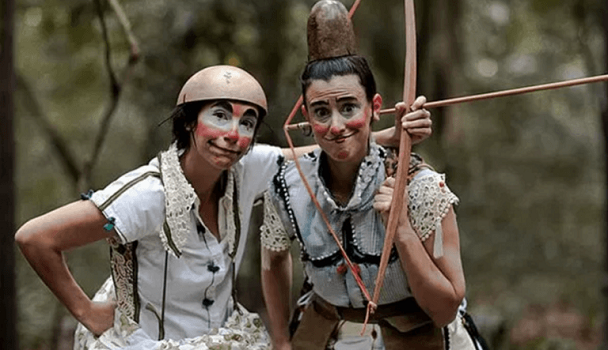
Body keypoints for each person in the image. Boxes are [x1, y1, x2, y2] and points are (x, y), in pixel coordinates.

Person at [15, 63, 432, 349]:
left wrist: (392, 135)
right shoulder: (149, 195)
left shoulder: (246, 169)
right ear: (189, 121)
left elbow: (310, 152)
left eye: (247, 122)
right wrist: (86, 312)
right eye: (220, 115)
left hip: (224, 335)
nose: (233, 134)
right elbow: (36, 237)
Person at [259, 2, 485, 349]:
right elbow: (274, 259)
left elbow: (444, 309)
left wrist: (402, 229)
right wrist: (279, 337)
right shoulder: (288, 187)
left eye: (348, 108)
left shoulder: (421, 187)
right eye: (321, 112)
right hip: (325, 333)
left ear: (375, 108)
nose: (335, 127)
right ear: (305, 116)